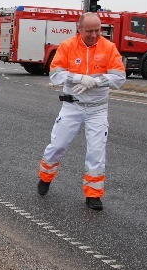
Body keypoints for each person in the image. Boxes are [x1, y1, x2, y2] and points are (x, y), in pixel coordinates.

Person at [37, 12, 125, 211]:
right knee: (57, 145)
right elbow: (56, 74)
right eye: (89, 31)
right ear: (80, 29)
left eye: (97, 30)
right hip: (72, 106)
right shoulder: (68, 46)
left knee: (96, 152)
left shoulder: (108, 48)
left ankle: (93, 194)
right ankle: (45, 177)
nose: (94, 35)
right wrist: (78, 78)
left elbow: (119, 77)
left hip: (97, 109)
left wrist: (97, 80)